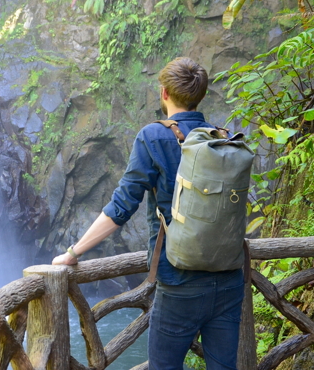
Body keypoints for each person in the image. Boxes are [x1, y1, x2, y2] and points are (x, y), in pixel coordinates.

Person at [52, 57, 244, 370]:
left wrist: (73, 253)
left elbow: (121, 207)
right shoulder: (221, 137)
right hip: (229, 277)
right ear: (202, 95)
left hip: (180, 280)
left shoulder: (154, 137)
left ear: (164, 93)